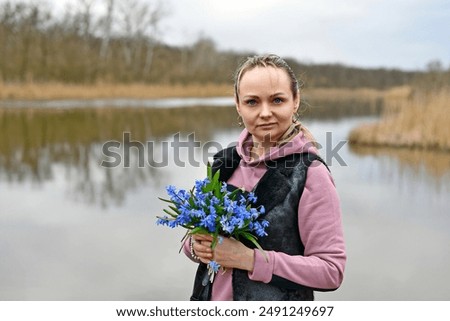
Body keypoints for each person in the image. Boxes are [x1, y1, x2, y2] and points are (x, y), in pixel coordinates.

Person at [183, 54, 346, 301]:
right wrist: (196, 246)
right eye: (252, 102)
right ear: (238, 105)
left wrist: (250, 260)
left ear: (295, 101)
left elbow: (331, 271)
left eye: (277, 100)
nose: (265, 112)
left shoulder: (310, 174)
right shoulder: (223, 163)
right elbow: (192, 242)